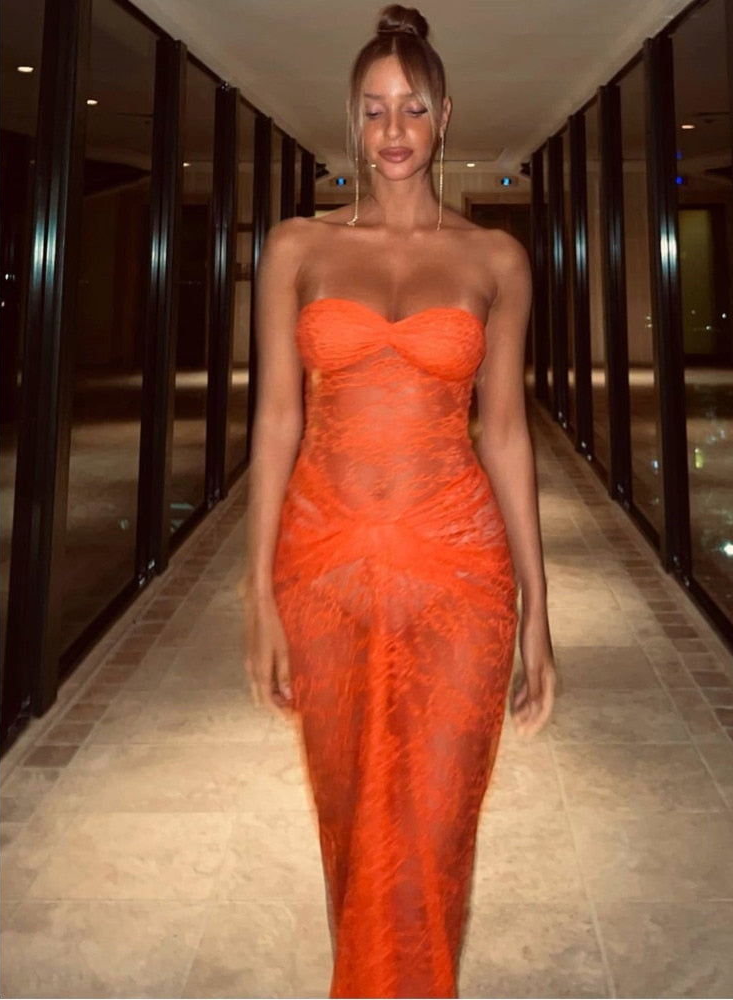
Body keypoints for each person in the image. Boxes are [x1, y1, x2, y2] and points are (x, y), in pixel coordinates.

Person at [243, 5, 556, 997]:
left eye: (413, 107)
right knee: (349, 820)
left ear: (444, 115)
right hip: (322, 564)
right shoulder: (296, 248)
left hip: (460, 571)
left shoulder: (495, 259)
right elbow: (276, 422)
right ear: (353, 117)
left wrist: (538, 608)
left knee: (433, 828)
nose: (393, 129)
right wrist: (257, 596)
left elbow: (505, 432)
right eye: (375, 108)